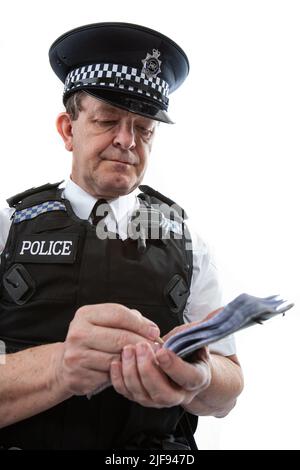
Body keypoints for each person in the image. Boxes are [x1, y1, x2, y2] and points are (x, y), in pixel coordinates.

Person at [0, 22, 243, 450]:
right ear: (67, 129)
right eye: (107, 120)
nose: (127, 141)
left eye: (145, 128)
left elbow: (229, 382)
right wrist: (61, 368)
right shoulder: (6, 229)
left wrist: (199, 381)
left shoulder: (188, 243)